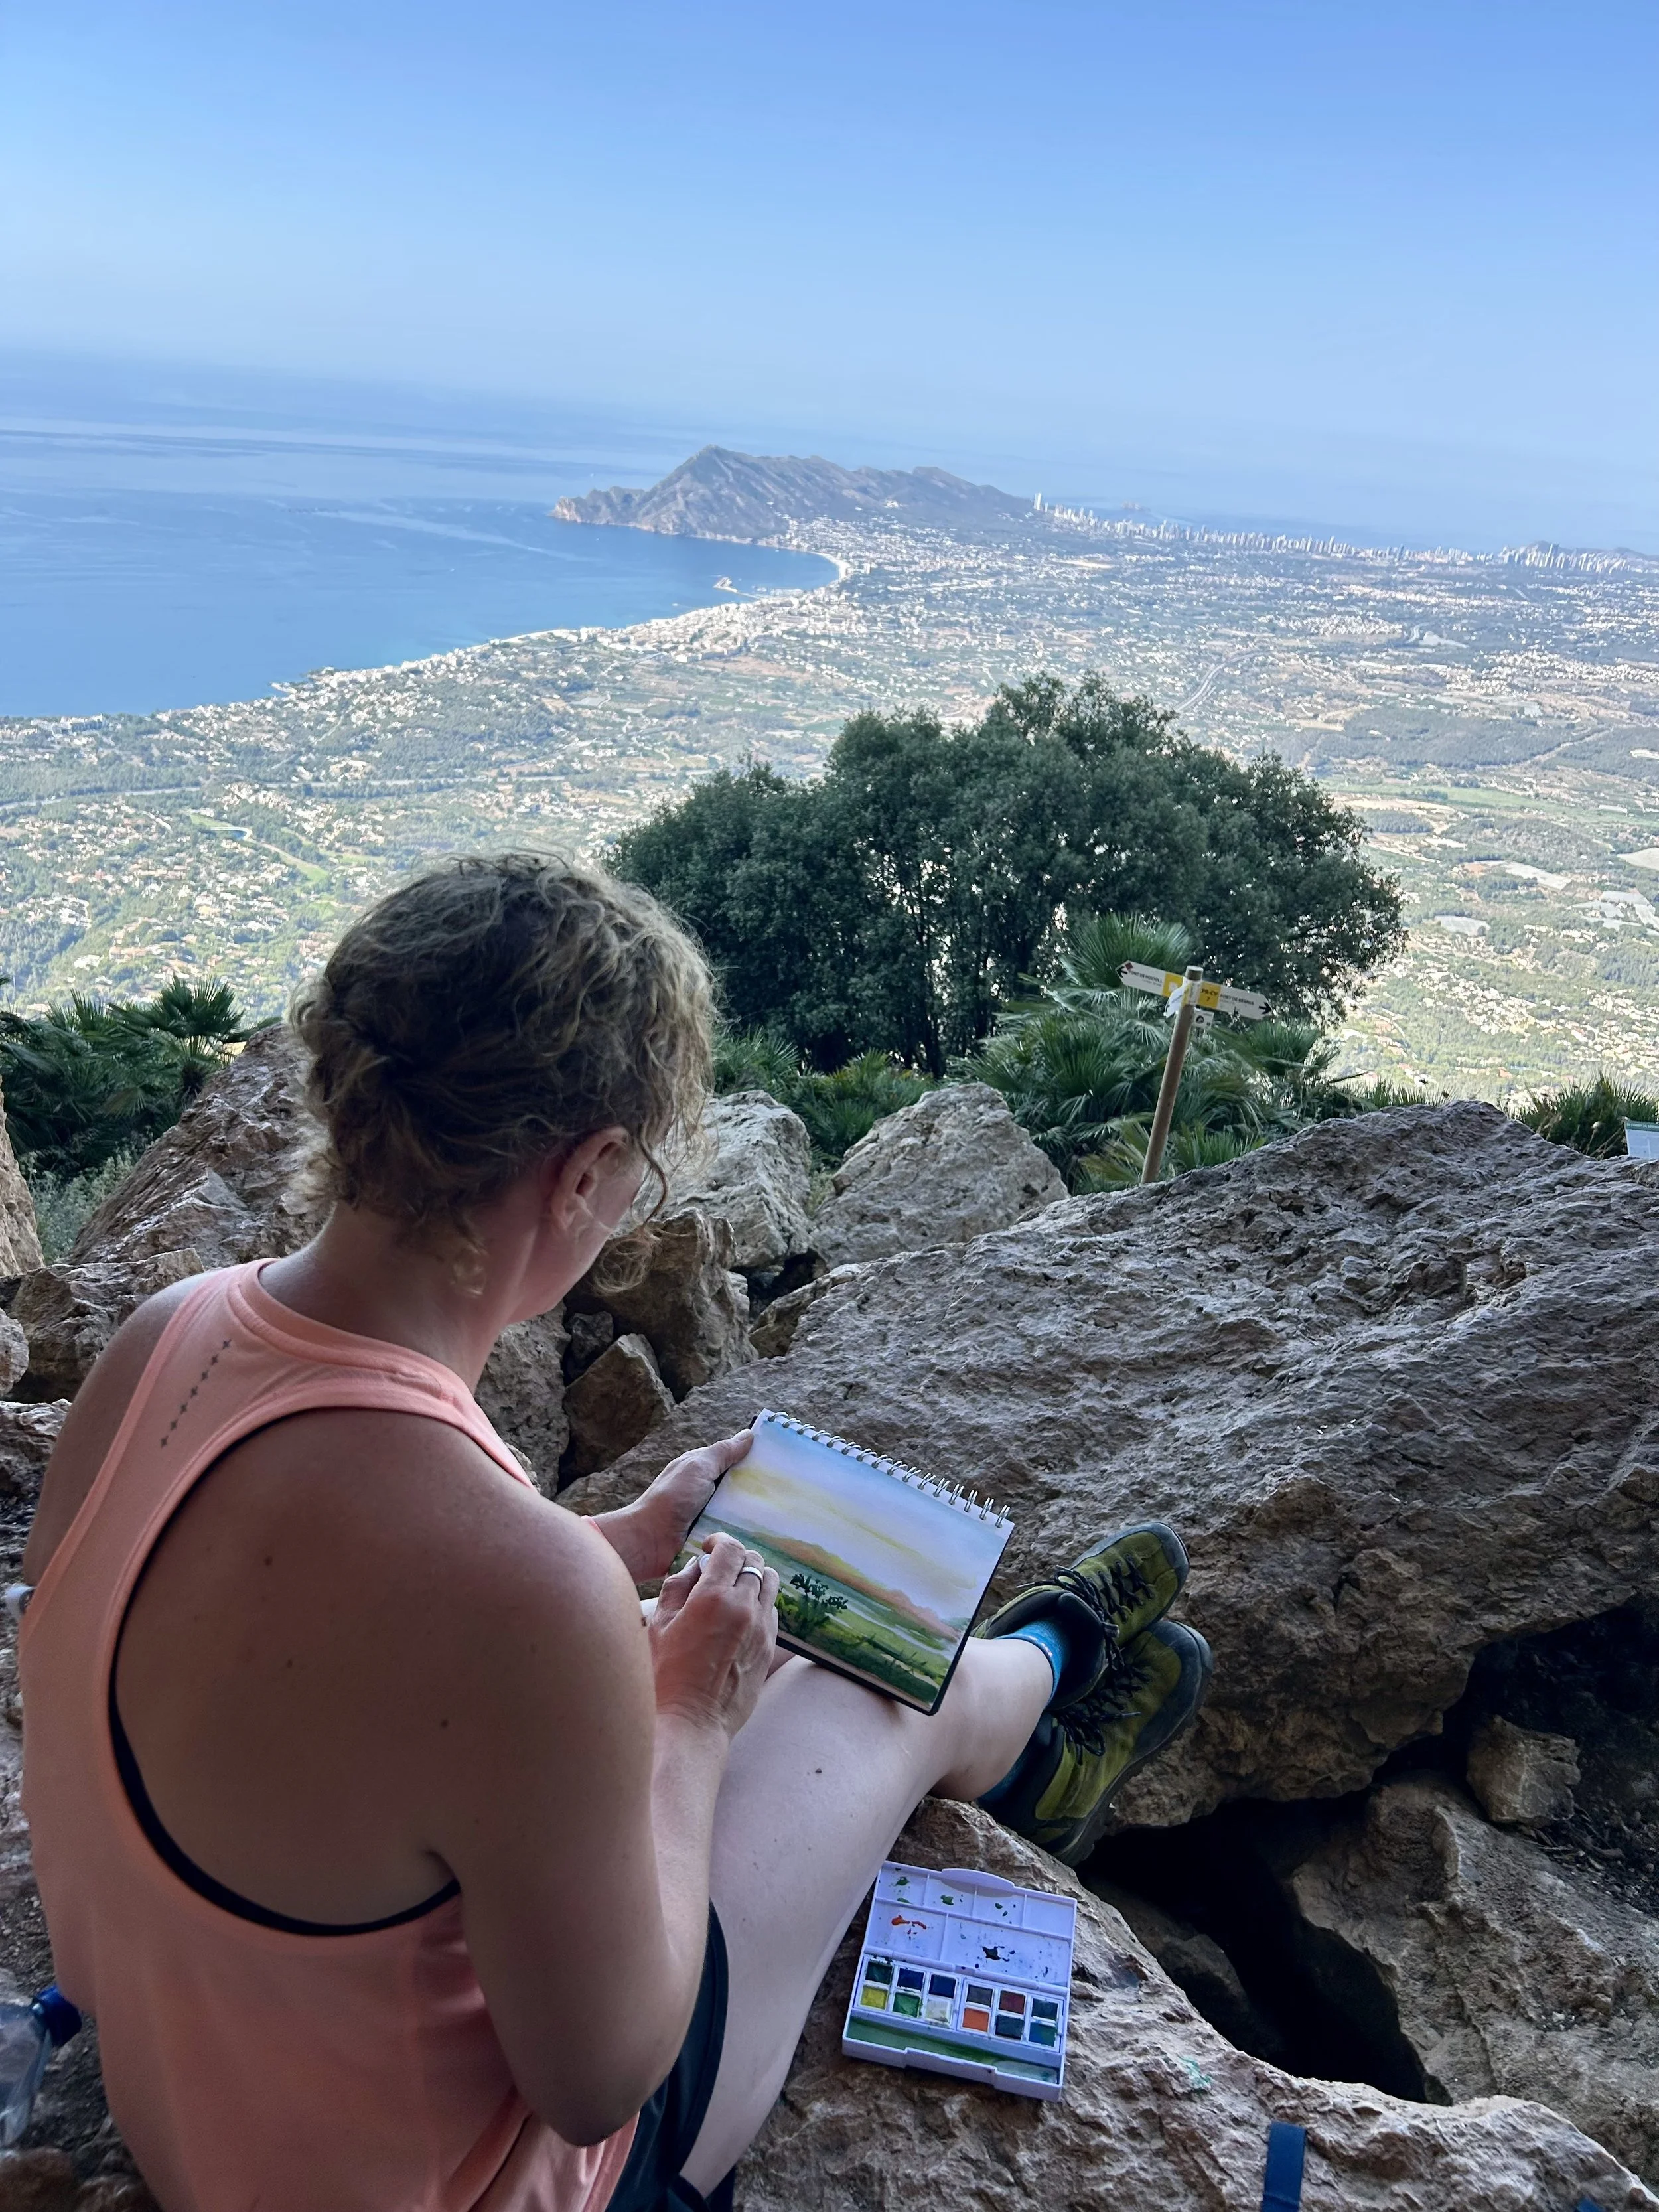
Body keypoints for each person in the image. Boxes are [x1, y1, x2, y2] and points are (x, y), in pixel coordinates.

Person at [17, 853, 1209, 2212]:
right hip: (463, 2183)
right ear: (583, 1170)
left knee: (740, 1658)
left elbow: (337, 1655)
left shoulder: (162, 1343)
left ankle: (1037, 1699)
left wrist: (611, 1547)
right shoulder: (515, 1590)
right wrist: (692, 1715)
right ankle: (1033, 1690)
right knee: (864, 1691)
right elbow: (600, 2077)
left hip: (203, 2109)